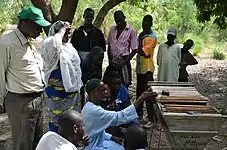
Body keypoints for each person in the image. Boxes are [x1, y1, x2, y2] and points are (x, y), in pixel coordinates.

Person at [0, 6, 51, 150]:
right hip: (20, 102)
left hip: (38, 99)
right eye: (38, 26)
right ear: (26, 22)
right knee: (23, 144)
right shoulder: (7, 43)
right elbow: (0, 73)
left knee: (37, 142)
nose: (40, 30)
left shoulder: (29, 42)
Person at [81, 78, 157, 150]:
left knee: (121, 145)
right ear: (93, 93)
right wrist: (141, 99)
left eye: (105, 89)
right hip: (92, 147)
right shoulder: (93, 110)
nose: (105, 92)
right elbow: (119, 117)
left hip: (98, 142)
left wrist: (111, 137)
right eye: (101, 90)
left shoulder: (91, 106)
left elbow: (97, 130)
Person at [42, 21, 83, 133]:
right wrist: (62, 29)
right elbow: (55, 43)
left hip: (72, 95)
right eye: (65, 32)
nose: (68, 34)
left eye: (70, 31)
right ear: (57, 33)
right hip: (56, 95)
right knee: (57, 124)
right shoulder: (50, 45)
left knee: (72, 122)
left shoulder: (70, 48)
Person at [71, 8, 106, 108]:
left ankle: (95, 108)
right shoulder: (77, 33)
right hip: (80, 67)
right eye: (87, 16)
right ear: (83, 16)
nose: (89, 19)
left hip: (94, 68)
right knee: (81, 89)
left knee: (94, 89)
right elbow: (73, 49)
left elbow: (102, 50)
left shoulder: (98, 33)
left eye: (91, 17)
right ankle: (82, 108)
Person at [136, 15, 158, 128]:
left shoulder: (151, 37)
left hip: (147, 70)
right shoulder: (142, 35)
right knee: (139, 93)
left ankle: (152, 119)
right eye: (143, 21)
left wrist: (139, 41)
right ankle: (139, 116)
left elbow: (144, 53)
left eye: (146, 22)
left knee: (148, 95)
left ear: (151, 24)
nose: (144, 24)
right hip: (140, 69)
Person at [107, 10, 138, 87]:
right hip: (113, 61)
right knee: (109, 84)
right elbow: (109, 46)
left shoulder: (131, 31)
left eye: (120, 20)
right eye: (117, 21)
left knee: (124, 84)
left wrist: (123, 62)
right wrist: (110, 60)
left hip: (124, 61)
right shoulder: (112, 29)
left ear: (124, 18)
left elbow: (134, 50)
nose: (119, 23)